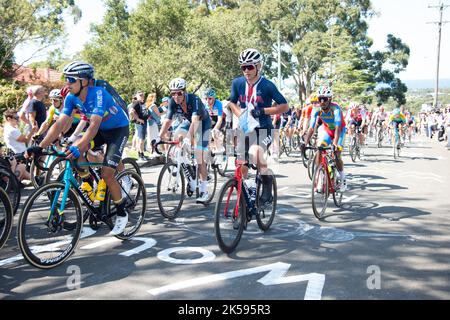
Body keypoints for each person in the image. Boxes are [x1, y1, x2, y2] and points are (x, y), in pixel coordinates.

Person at [26, 61, 131, 236]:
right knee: (73, 152)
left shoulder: (99, 94)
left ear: (84, 81)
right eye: (66, 79)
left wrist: (79, 146)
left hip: (117, 131)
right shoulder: (71, 97)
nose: (67, 83)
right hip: (101, 131)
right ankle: (88, 185)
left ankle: (121, 211)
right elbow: (59, 124)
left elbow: (93, 126)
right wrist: (39, 146)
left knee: (106, 173)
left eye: (71, 79)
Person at [228, 48, 289, 206]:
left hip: (264, 128)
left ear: (258, 66)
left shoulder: (267, 85)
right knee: (241, 163)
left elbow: (284, 106)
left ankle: (267, 189)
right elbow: (231, 102)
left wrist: (263, 111)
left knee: (256, 154)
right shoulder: (237, 83)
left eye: (250, 67)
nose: (246, 71)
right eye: (243, 67)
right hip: (245, 129)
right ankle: (247, 195)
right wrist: (240, 114)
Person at [153, 78, 212, 204]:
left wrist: (188, 138)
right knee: (176, 137)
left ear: (184, 92)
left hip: (203, 123)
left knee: (199, 156)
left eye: (179, 93)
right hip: (188, 122)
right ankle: (188, 167)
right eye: (173, 93)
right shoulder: (172, 102)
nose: (176, 96)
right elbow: (167, 121)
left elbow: (196, 121)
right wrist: (159, 137)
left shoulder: (194, 99)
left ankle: (204, 191)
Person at [304, 85, 347, 191]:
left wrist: (335, 143)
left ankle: (342, 178)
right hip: (327, 130)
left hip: (339, 131)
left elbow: (337, 127)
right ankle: (320, 177)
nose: (322, 102)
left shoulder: (335, 108)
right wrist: (305, 142)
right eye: (320, 99)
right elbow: (311, 128)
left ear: (330, 99)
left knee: (337, 153)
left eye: (325, 99)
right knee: (319, 148)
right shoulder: (316, 110)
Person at [3, 109, 35, 181]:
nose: (18, 120)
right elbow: (26, 139)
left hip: (18, 153)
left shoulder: (10, 128)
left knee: (25, 170)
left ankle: (36, 180)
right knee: (23, 168)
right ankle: (36, 180)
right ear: (9, 119)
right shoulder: (11, 130)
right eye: (16, 118)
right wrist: (32, 131)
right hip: (19, 155)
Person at [129, 91, 149, 162]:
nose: (142, 96)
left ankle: (142, 153)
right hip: (140, 123)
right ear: (136, 96)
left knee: (141, 139)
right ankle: (140, 155)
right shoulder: (136, 102)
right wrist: (138, 119)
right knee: (141, 140)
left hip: (144, 122)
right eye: (140, 95)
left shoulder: (142, 103)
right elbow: (131, 111)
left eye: (143, 95)